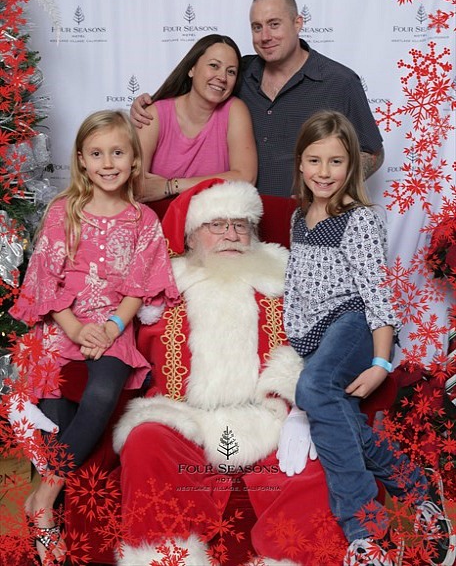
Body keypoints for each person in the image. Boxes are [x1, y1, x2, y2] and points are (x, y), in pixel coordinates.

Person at [113, 178, 347, 566]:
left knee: (317, 461)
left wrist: (299, 408)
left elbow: (319, 344)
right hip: (182, 416)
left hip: (270, 417)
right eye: (217, 225)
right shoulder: (162, 286)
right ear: (190, 236)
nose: (231, 235)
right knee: (145, 441)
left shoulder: (285, 279)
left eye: (240, 225)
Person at [283, 110, 455, 566]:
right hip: (318, 338)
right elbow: (298, 288)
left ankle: (367, 531)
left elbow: (376, 294)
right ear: (300, 163)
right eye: (315, 160)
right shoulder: (300, 217)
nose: (324, 172)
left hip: (355, 323)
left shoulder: (357, 219)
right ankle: (418, 488)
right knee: (342, 417)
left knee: (315, 390)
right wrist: (295, 345)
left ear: (351, 167)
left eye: (336, 162)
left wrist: (381, 364)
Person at [8, 110, 179, 565]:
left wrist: (111, 327)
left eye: (118, 153)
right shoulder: (64, 212)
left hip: (111, 326)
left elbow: (139, 287)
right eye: (97, 153)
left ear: (134, 161)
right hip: (61, 324)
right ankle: (54, 525)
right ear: (82, 160)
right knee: (58, 413)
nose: (108, 163)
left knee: (103, 390)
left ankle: (43, 496)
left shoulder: (143, 220)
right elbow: (45, 279)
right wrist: (73, 328)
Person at [130, 0, 383, 197]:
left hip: (308, 219)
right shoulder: (239, 73)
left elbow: (373, 153)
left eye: (274, 25)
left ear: (298, 23)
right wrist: (146, 104)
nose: (265, 36)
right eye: (256, 27)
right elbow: (197, 89)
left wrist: (326, 188)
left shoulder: (339, 82)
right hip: (240, 224)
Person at [132, 33, 257, 202]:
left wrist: (172, 186)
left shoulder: (234, 110)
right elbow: (136, 184)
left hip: (214, 223)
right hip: (158, 221)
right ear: (192, 69)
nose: (222, 77)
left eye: (231, 72)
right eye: (214, 65)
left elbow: (245, 178)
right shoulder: (155, 114)